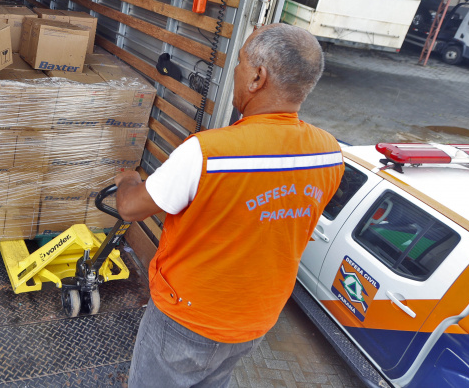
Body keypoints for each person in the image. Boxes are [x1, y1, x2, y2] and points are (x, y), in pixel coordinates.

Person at [116, 23, 344, 387]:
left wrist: (126, 178)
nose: (234, 71)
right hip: (255, 321)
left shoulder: (208, 152)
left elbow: (130, 208)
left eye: (239, 62)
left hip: (187, 318)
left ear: (257, 76)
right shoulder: (329, 152)